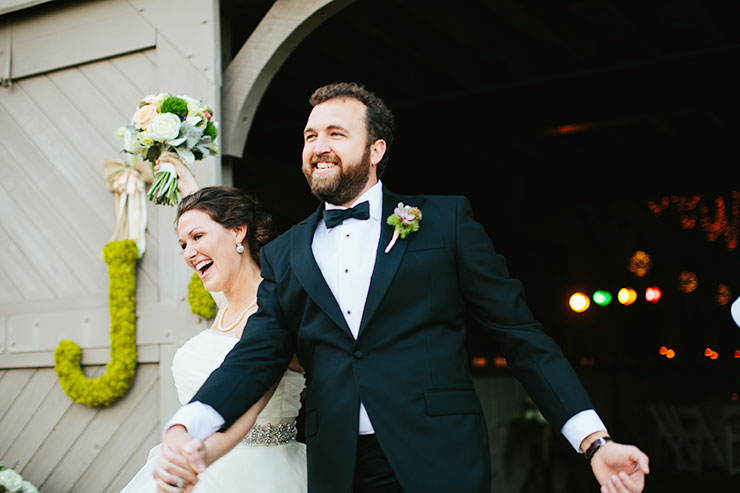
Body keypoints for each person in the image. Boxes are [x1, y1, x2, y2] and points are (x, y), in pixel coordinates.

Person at [156, 82, 650, 493]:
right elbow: (255, 356)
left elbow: (520, 335)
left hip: (439, 459)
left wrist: (595, 441)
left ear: (376, 150)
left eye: (335, 133)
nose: (317, 146)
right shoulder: (285, 253)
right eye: (309, 136)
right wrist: (187, 426)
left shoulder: (445, 221)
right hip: (335, 467)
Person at [121, 158, 307, 493]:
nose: (189, 252)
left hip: (259, 474)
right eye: (183, 245)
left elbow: (249, 398)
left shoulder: (273, 315)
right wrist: (187, 183)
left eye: (197, 237)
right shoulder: (230, 308)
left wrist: (201, 452)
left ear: (238, 231)